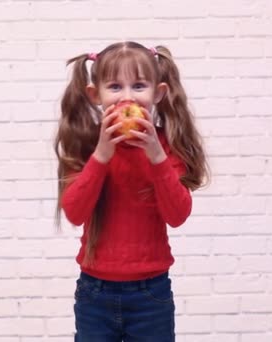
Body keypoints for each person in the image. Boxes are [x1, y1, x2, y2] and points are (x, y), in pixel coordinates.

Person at [53, 41, 209, 341]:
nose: (127, 97)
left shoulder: (165, 147)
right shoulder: (87, 147)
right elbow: (74, 211)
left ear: (158, 93)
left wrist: (155, 155)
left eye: (139, 86)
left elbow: (177, 215)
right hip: (94, 292)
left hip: (151, 293)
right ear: (95, 95)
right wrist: (101, 154)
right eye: (114, 86)